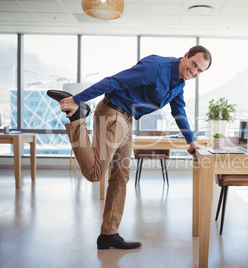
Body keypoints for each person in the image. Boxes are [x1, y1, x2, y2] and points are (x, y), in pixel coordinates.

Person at [47, 45, 212, 250]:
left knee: (121, 176)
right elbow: (113, 81)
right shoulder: (156, 67)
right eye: (194, 64)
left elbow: (179, 111)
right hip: (112, 113)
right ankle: (78, 117)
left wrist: (192, 142)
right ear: (186, 55)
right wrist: (77, 99)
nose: (194, 71)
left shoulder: (178, 84)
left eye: (200, 71)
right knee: (95, 173)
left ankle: (109, 234)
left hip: (127, 120)